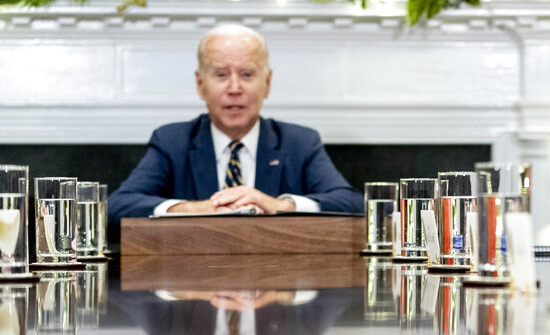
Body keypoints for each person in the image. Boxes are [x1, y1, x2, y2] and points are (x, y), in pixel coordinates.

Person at [109, 23, 362, 221]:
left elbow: (352, 203)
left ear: (267, 83)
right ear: (200, 85)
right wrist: (195, 209)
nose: (234, 88)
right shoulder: (172, 142)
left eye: (247, 74)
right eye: (221, 75)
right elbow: (117, 206)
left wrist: (280, 205)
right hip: (194, 281)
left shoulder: (299, 143)